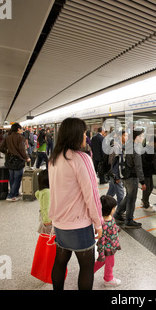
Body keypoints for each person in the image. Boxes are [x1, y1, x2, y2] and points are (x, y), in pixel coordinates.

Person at [48, 117, 103, 290]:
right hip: (79, 223)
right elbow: (91, 194)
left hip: (59, 221)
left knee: (60, 261)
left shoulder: (54, 159)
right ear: (76, 134)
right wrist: (98, 222)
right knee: (86, 266)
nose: (86, 136)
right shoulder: (81, 159)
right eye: (84, 132)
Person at [113, 129, 146, 229]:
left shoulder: (126, 145)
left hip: (125, 176)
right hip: (132, 177)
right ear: (137, 137)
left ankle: (118, 213)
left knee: (128, 196)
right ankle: (129, 220)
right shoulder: (135, 148)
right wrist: (142, 181)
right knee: (132, 199)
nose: (143, 138)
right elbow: (138, 166)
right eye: (142, 136)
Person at [94, 195, 122, 287]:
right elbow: (101, 240)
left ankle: (89, 272)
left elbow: (112, 227)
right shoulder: (104, 224)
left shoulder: (110, 218)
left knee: (101, 262)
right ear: (107, 209)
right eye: (113, 208)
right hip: (108, 249)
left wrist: (116, 229)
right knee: (110, 263)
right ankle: (108, 279)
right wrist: (101, 254)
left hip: (112, 245)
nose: (114, 210)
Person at [0, 123, 31, 202]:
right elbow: (22, 149)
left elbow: (0, 148)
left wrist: (6, 152)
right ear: (18, 129)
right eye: (20, 129)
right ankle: (11, 195)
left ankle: (15, 192)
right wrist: (27, 158)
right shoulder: (21, 138)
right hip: (18, 161)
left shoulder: (7, 138)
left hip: (9, 160)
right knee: (17, 178)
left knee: (12, 178)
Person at [106, 130, 127, 209]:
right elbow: (111, 161)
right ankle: (119, 212)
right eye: (125, 136)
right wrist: (116, 176)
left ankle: (103, 206)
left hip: (115, 174)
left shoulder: (121, 146)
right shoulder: (116, 146)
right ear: (119, 136)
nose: (127, 138)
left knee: (111, 192)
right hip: (115, 174)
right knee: (120, 194)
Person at [141, 135, 156, 212]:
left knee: (150, 187)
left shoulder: (152, 149)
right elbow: (144, 162)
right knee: (147, 189)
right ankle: (146, 205)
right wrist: (152, 163)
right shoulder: (146, 149)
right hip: (146, 172)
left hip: (149, 172)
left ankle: (144, 201)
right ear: (153, 142)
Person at [35, 169, 52, 234]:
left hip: (43, 217)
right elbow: (46, 207)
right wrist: (47, 221)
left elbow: (36, 193)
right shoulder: (47, 192)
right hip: (48, 220)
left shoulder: (41, 191)